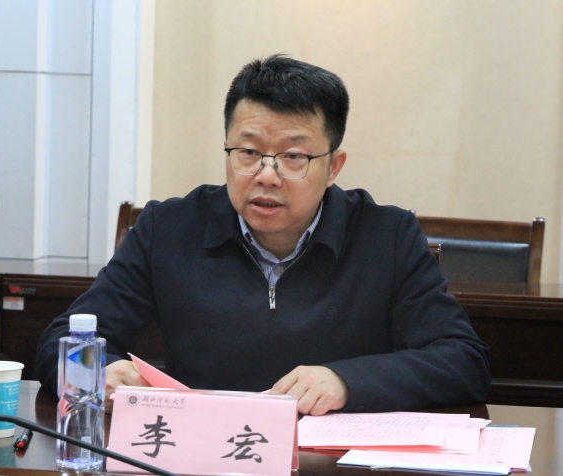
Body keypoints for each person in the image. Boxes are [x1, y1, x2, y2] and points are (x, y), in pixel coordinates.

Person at [37, 54, 490, 415]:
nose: (266, 175)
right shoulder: (167, 229)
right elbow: (63, 338)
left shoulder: (385, 237)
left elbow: (462, 359)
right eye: (248, 151)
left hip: (328, 461)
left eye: (293, 157)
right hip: (199, 457)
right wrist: (98, 371)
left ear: (333, 166)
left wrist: (347, 381)